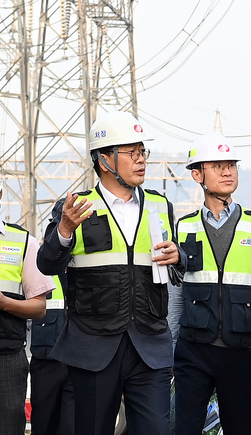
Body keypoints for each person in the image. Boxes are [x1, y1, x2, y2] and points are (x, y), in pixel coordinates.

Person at [37, 110, 185, 435]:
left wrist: (179, 257)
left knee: (157, 430)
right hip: (93, 347)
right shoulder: (75, 207)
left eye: (142, 152)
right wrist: (64, 229)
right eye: (132, 153)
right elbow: (46, 264)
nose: (141, 160)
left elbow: (175, 265)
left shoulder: (160, 205)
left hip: (150, 344)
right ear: (105, 159)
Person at [173, 132, 251, 435]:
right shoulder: (183, 227)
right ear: (197, 175)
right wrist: (170, 346)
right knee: (185, 429)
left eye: (231, 165)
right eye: (217, 166)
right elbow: (176, 289)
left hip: (240, 348)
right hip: (193, 349)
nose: (227, 172)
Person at [0, 178, 55, 435]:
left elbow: (39, 308)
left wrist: (5, 303)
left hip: (7, 358)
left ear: (0, 194)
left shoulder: (23, 242)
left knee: (9, 426)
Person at [29, 272, 75, 435]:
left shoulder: (84, 271)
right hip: (45, 362)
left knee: (71, 428)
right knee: (43, 425)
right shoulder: (39, 269)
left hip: (76, 362)